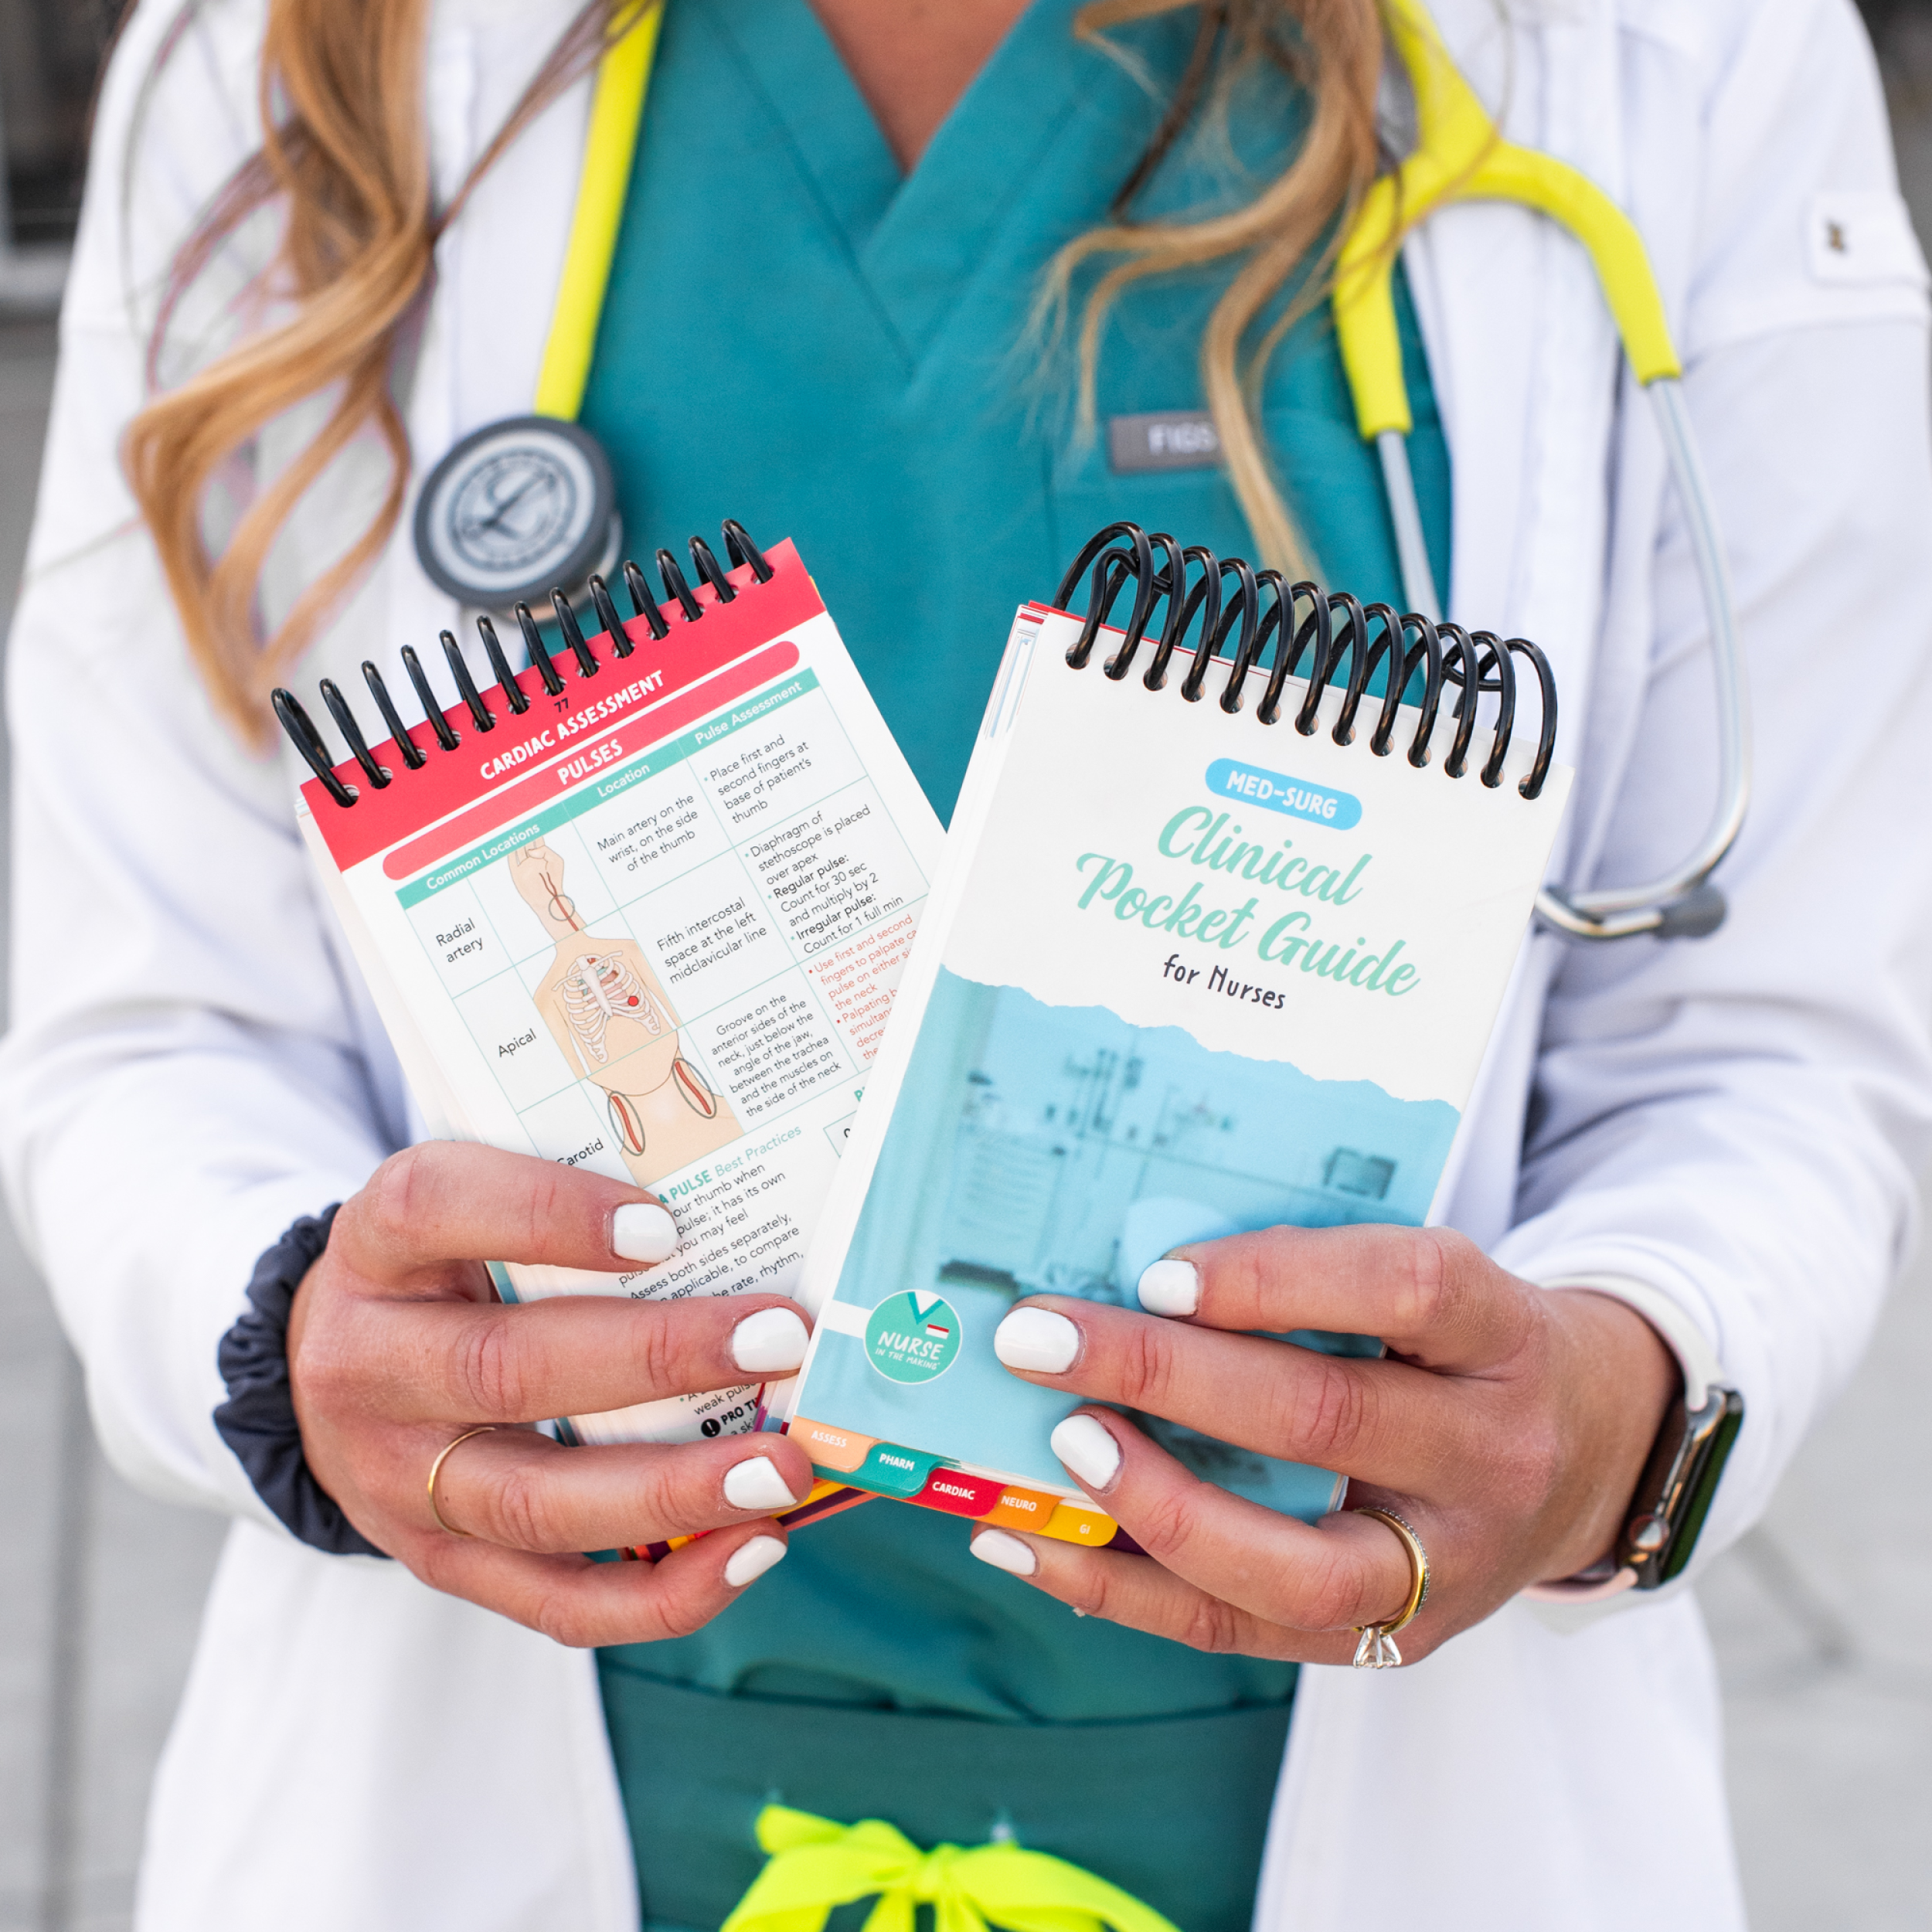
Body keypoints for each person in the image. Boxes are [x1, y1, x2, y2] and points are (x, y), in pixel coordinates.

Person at [4, 0, 1930, 1928]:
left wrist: (1614, 1411)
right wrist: (297, 1345)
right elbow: (152, 1020)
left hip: (1394, 1810)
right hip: (493, 1808)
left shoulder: (1681, 57)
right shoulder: (278, 59)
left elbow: (1769, 1043)